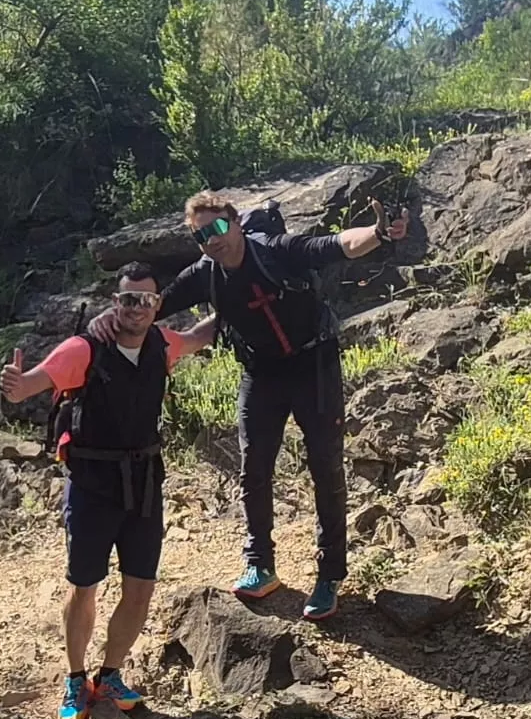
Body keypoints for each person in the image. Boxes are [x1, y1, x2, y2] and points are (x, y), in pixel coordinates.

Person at [95, 192, 409, 622]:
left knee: (325, 466)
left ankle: (329, 573)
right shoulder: (205, 276)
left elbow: (335, 246)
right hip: (261, 374)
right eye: (201, 234)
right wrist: (110, 319)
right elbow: (152, 307)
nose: (212, 239)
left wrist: (377, 233)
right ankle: (260, 563)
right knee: (254, 467)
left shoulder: (275, 252)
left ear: (236, 223)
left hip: (313, 363)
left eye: (219, 227)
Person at [0, 262, 208, 719]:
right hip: (92, 484)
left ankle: (109, 675)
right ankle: (77, 679)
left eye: (146, 300)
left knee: (140, 588)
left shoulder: (162, 343)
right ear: (116, 302)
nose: (136, 307)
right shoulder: (83, 350)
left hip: (145, 483)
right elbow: (31, 385)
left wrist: (242, 293)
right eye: (128, 298)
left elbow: (200, 336)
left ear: (157, 305)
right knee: (84, 586)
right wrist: (15, 388)